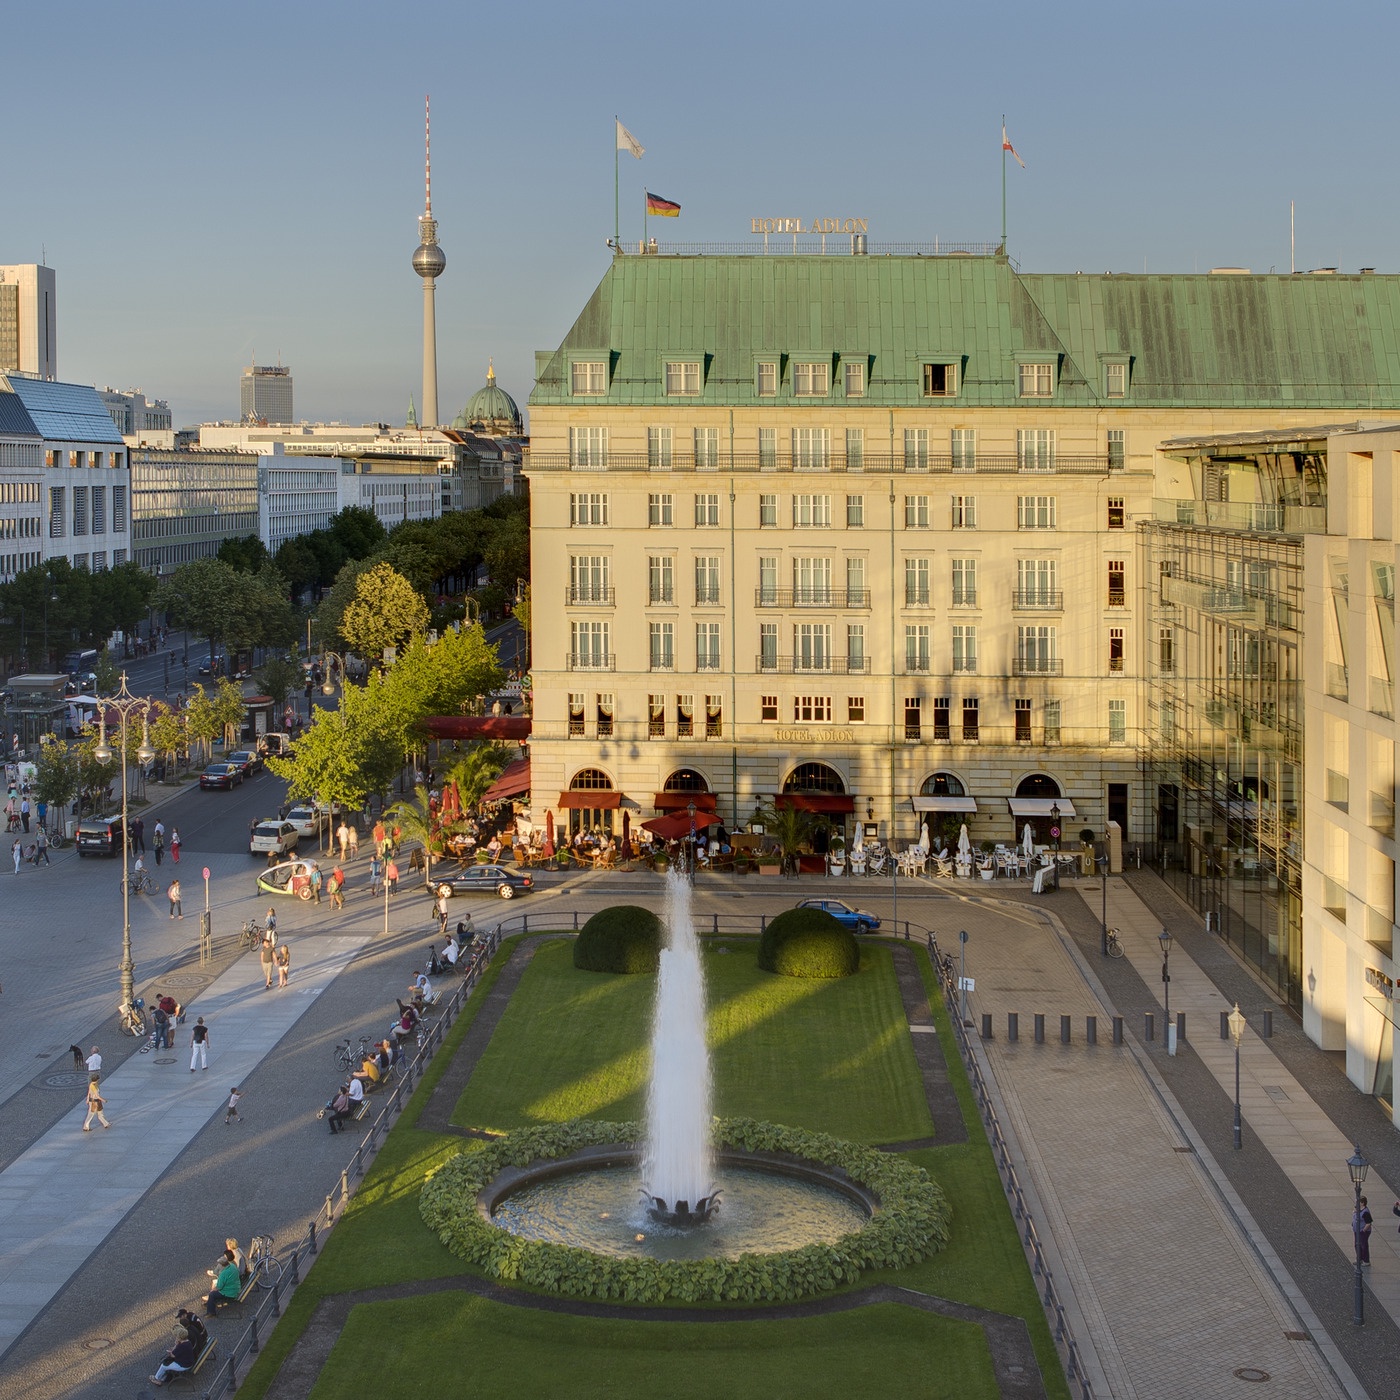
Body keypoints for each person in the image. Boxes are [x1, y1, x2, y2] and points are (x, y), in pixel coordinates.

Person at [1353, 1195, 1373, 1265]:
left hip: (1362, 1231)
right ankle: (1359, 1258)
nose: (1356, 1204)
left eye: (1357, 1202)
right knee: (1357, 1245)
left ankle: (1366, 1260)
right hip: (1356, 1231)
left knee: (1363, 1245)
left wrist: (1363, 1231)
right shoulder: (1357, 1209)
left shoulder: (1365, 1212)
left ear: (1362, 1203)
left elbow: (1368, 1223)